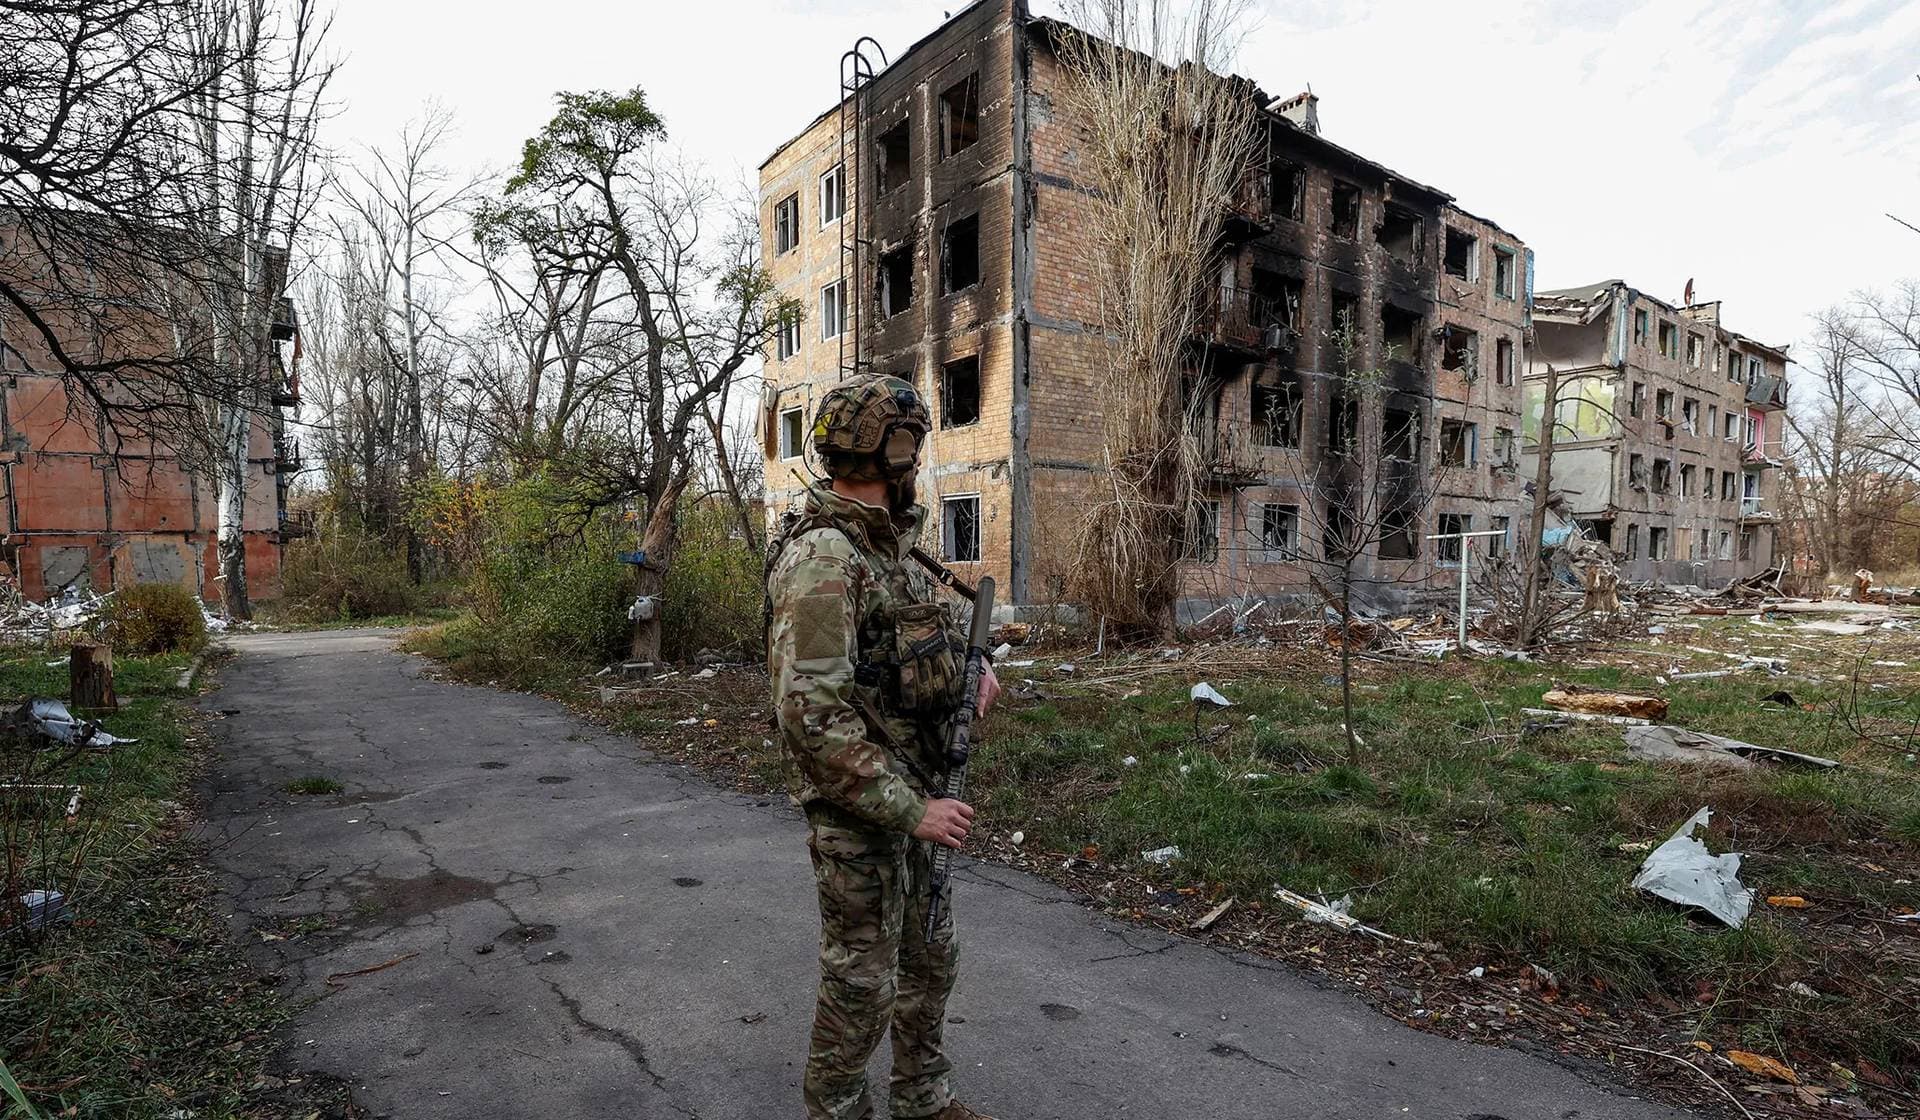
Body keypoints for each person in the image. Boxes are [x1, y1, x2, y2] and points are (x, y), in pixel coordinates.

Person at [765, 373, 1001, 1120]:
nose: (919, 455)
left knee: (929, 962)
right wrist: (913, 810)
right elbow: (810, 718)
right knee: (861, 984)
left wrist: (973, 671)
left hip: (918, 794)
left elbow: (904, 651)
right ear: (891, 449)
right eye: (913, 440)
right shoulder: (826, 559)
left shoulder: (890, 548)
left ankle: (923, 1098)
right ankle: (835, 1111)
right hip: (863, 814)